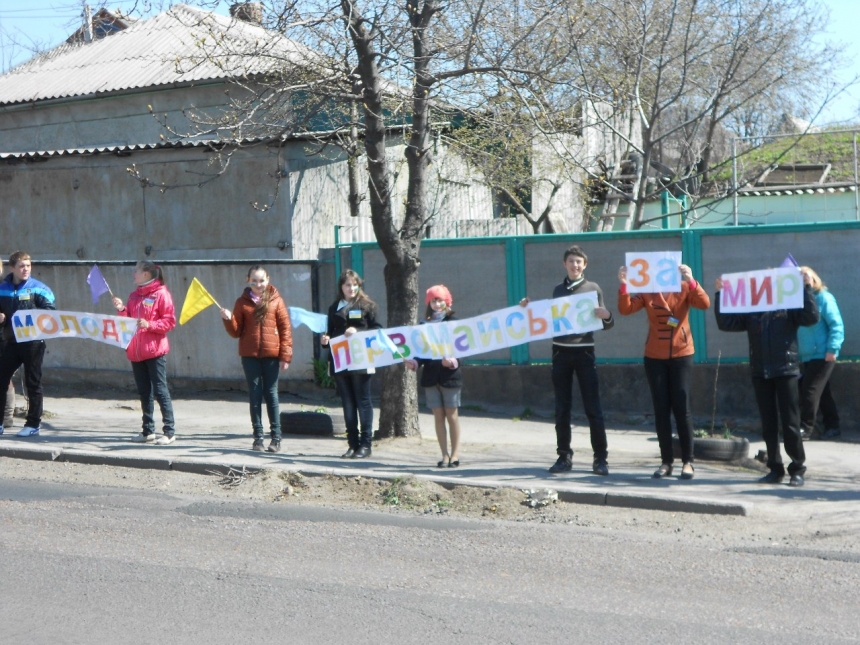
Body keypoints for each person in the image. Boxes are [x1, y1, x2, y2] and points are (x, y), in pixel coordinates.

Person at [714, 274, 818, 487]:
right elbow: (726, 322)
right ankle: (775, 468)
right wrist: (720, 294)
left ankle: (797, 469)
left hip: (786, 369)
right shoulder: (752, 310)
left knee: (790, 423)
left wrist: (806, 288)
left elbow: (811, 317)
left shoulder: (788, 307)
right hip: (761, 371)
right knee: (768, 424)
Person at [520, 245, 614, 476]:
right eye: (571, 261)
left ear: (585, 265)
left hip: (585, 353)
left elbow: (606, 323)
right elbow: (546, 318)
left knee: (593, 408)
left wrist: (607, 316)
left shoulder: (593, 289)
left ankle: (600, 459)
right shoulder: (557, 291)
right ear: (565, 264)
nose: (575, 265)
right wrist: (527, 309)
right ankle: (564, 456)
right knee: (562, 408)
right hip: (560, 354)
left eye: (579, 262)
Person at [617, 262, 710, 480]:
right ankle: (666, 462)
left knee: (682, 407)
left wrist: (692, 280)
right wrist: (624, 286)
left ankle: (688, 462)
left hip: (682, 353)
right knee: (661, 410)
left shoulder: (685, 287)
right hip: (654, 356)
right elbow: (625, 309)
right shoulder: (647, 291)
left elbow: (704, 303)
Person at [221, 266, 293, 453]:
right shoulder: (241, 302)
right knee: (254, 395)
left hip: (271, 355)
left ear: (268, 280)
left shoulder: (276, 300)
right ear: (248, 280)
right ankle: (258, 438)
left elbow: (285, 329)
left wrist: (285, 355)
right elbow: (236, 332)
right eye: (254, 281)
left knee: (271, 394)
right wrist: (228, 319)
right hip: (249, 355)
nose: (258, 284)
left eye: (261, 280)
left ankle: (276, 438)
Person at [112, 261, 177, 445]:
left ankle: (169, 431)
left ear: (146, 274)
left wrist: (150, 325)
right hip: (136, 352)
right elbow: (128, 323)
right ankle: (148, 431)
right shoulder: (134, 296)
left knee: (160, 391)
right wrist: (122, 310)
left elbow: (170, 322)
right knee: (144, 392)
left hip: (154, 351)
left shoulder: (161, 294)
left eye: (136, 271)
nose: (133, 274)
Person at [320, 270, 381, 459]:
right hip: (340, 360)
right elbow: (329, 332)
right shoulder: (333, 307)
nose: (352, 288)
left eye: (355, 284)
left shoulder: (367, 305)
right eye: (348, 285)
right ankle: (352, 444)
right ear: (341, 287)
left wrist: (358, 331)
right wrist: (325, 340)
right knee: (347, 402)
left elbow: (377, 330)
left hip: (361, 359)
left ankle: (366, 445)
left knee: (363, 401)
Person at [405, 285, 463, 468]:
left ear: (447, 301)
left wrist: (453, 361)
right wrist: (414, 362)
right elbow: (420, 352)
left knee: (452, 415)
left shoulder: (454, 322)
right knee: (438, 416)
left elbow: (464, 347)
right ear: (428, 303)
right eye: (433, 300)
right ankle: (444, 455)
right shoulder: (423, 325)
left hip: (450, 376)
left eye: (440, 300)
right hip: (431, 376)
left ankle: (455, 455)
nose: (437, 304)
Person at [0, 251, 56, 437]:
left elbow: (50, 312)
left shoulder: (39, 288)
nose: (26, 269)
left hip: (33, 343)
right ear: (12, 268)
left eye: (28, 266)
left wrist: (37, 319)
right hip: (11, 342)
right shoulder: (2, 288)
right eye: (22, 266)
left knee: (33, 383)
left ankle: (33, 424)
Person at [797, 266, 843, 441]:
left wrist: (833, 349)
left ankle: (806, 429)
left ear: (813, 278)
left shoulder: (823, 297)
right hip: (807, 355)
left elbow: (836, 325)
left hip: (823, 354)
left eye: (806, 276)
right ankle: (832, 426)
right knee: (821, 393)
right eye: (799, 277)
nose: (803, 280)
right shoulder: (799, 300)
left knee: (808, 390)